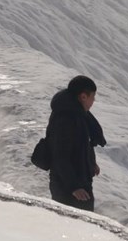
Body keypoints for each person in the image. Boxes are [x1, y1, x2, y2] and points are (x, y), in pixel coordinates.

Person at [45, 75, 106, 212]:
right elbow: (60, 155)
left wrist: (91, 162)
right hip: (68, 188)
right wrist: (74, 187)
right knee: (74, 226)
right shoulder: (66, 118)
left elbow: (83, 143)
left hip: (79, 180)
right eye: (93, 97)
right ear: (83, 96)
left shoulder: (78, 113)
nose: (93, 101)